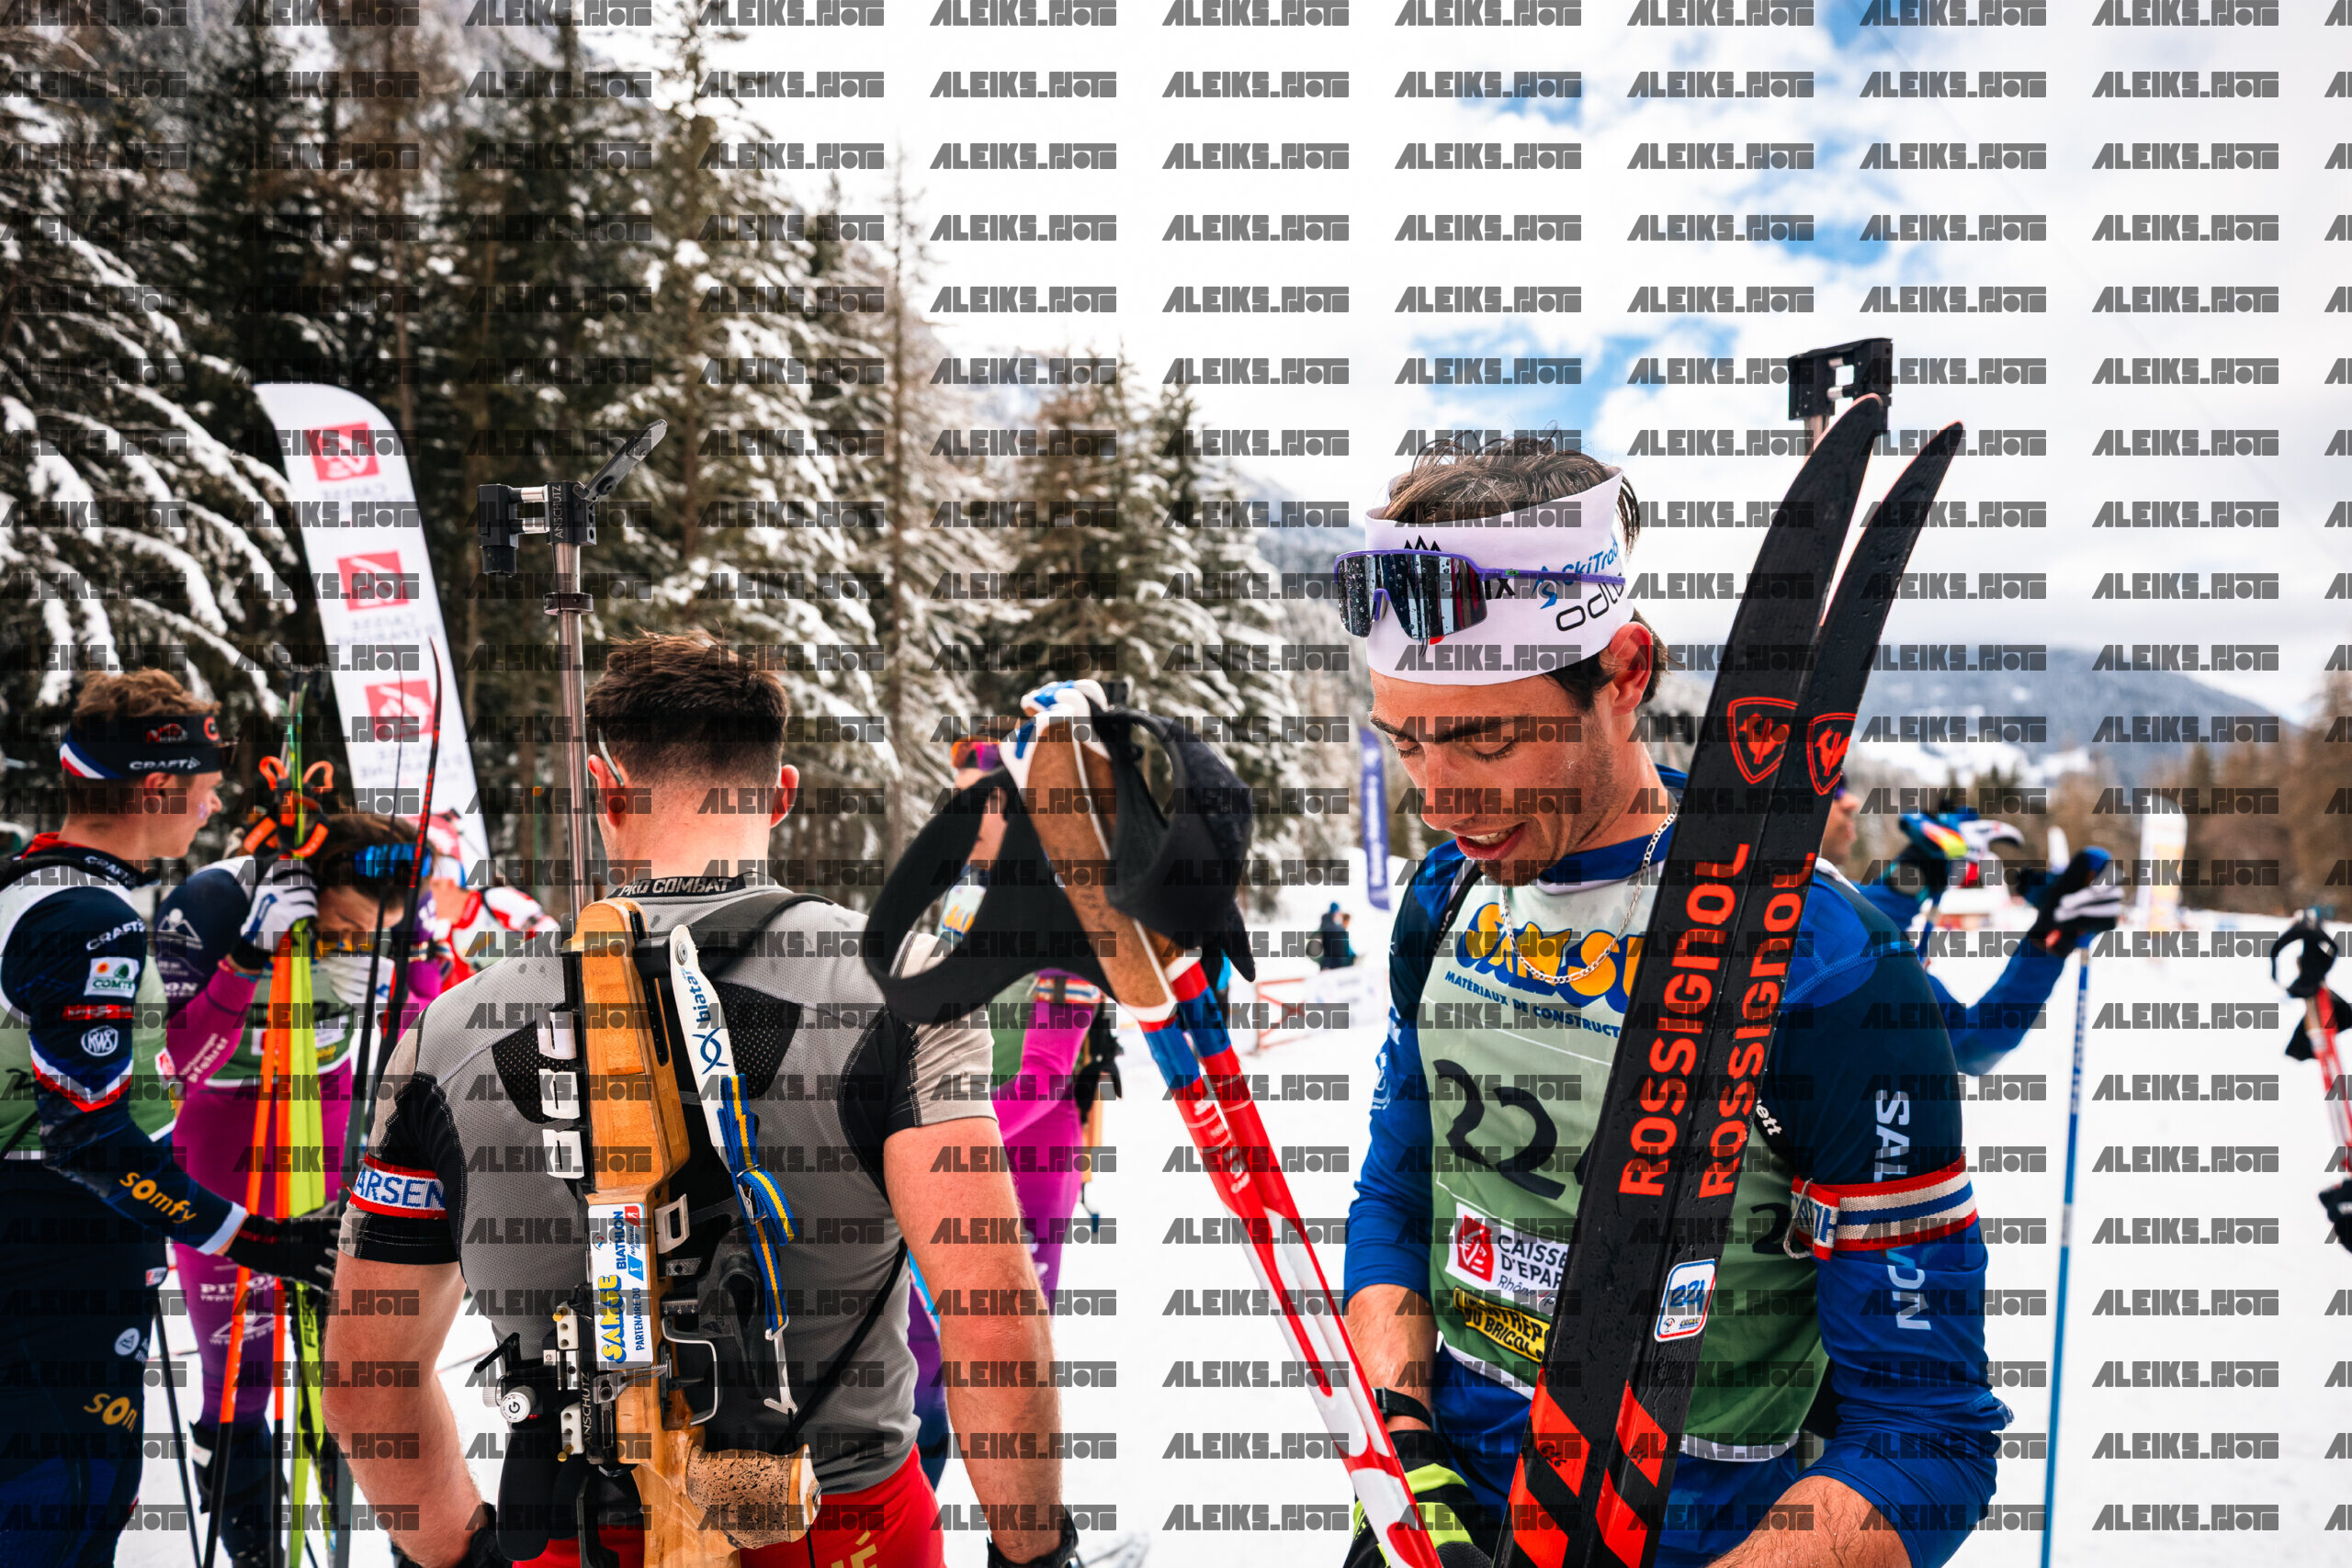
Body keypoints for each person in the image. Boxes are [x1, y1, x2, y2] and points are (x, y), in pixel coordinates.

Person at [1340, 440, 2006, 1568]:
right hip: (1445, 1512)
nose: (1438, 799)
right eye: (1405, 739)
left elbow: (1927, 1434)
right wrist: (1404, 1450)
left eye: (1485, 737)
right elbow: (1402, 1194)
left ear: (1626, 672)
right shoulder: (1445, 896)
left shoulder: (1826, 965)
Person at [323, 635, 1074, 1568]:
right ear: (782, 794)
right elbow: (992, 1315)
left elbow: (365, 1379)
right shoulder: (903, 987)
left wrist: (457, 1555)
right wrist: (1034, 1553)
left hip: (571, 1536)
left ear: (606, 794)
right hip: (841, 1528)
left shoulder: (444, 1036)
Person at [0, 670, 340, 1568]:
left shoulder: (42, 885)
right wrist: (254, 1238)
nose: (215, 802)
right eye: (205, 785)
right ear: (155, 788)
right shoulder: (87, 919)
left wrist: (247, 955)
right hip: (51, 1263)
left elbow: (152, 1085)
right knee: (65, 1508)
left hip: (62, 1253)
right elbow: (89, 1138)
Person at [152, 804, 446, 1565]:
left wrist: (412, 960)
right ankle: (255, 1542)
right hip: (226, 1139)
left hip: (332, 1126)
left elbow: (421, 1030)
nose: (354, 945)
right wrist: (249, 956)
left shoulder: (400, 902)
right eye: (342, 928)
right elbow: (172, 1066)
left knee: (355, 1366)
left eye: (371, 935)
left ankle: (402, 1538)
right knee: (239, 1373)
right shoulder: (217, 900)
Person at [907, 735, 1122, 1487]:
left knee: (1003, 1353)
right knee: (919, 1349)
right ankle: (921, 1514)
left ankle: (1027, 1527)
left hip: (1027, 1157)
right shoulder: (963, 897)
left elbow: (1045, 1075)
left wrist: (943, 1135)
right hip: (954, 1142)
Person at [1849, 806, 2121, 1074]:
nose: (1849, 801)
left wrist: (2049, 941)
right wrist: (1913, 873)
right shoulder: (1830, 920)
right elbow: (1855, 942)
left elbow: (1969, 1045)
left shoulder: (1877, 948)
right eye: (1836, 792)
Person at [421, 808, 560, 982]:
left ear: (447, 883)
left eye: (427, 892)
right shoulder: (452, 940)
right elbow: (462, 988)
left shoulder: (494, 899)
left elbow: (550, 932)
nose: (424, 902)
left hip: (544, 981)